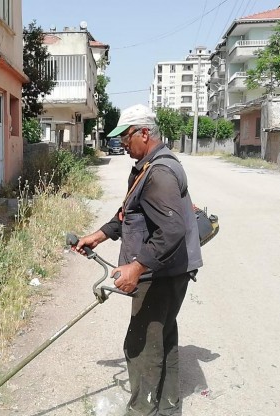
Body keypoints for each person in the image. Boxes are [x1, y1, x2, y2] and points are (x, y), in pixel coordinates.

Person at [75, 104, 202, 415]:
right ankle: (167, 407)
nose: (122, 143)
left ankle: (142, 411)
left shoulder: (160, 172)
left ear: (145, 133)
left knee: (141, 347)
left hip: (161, 273)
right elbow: (130, 214)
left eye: (127, 136)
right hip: (165, 270)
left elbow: (171, 229)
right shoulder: (147, 167)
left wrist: (137, 266)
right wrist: (99, 235)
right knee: (162, 338)